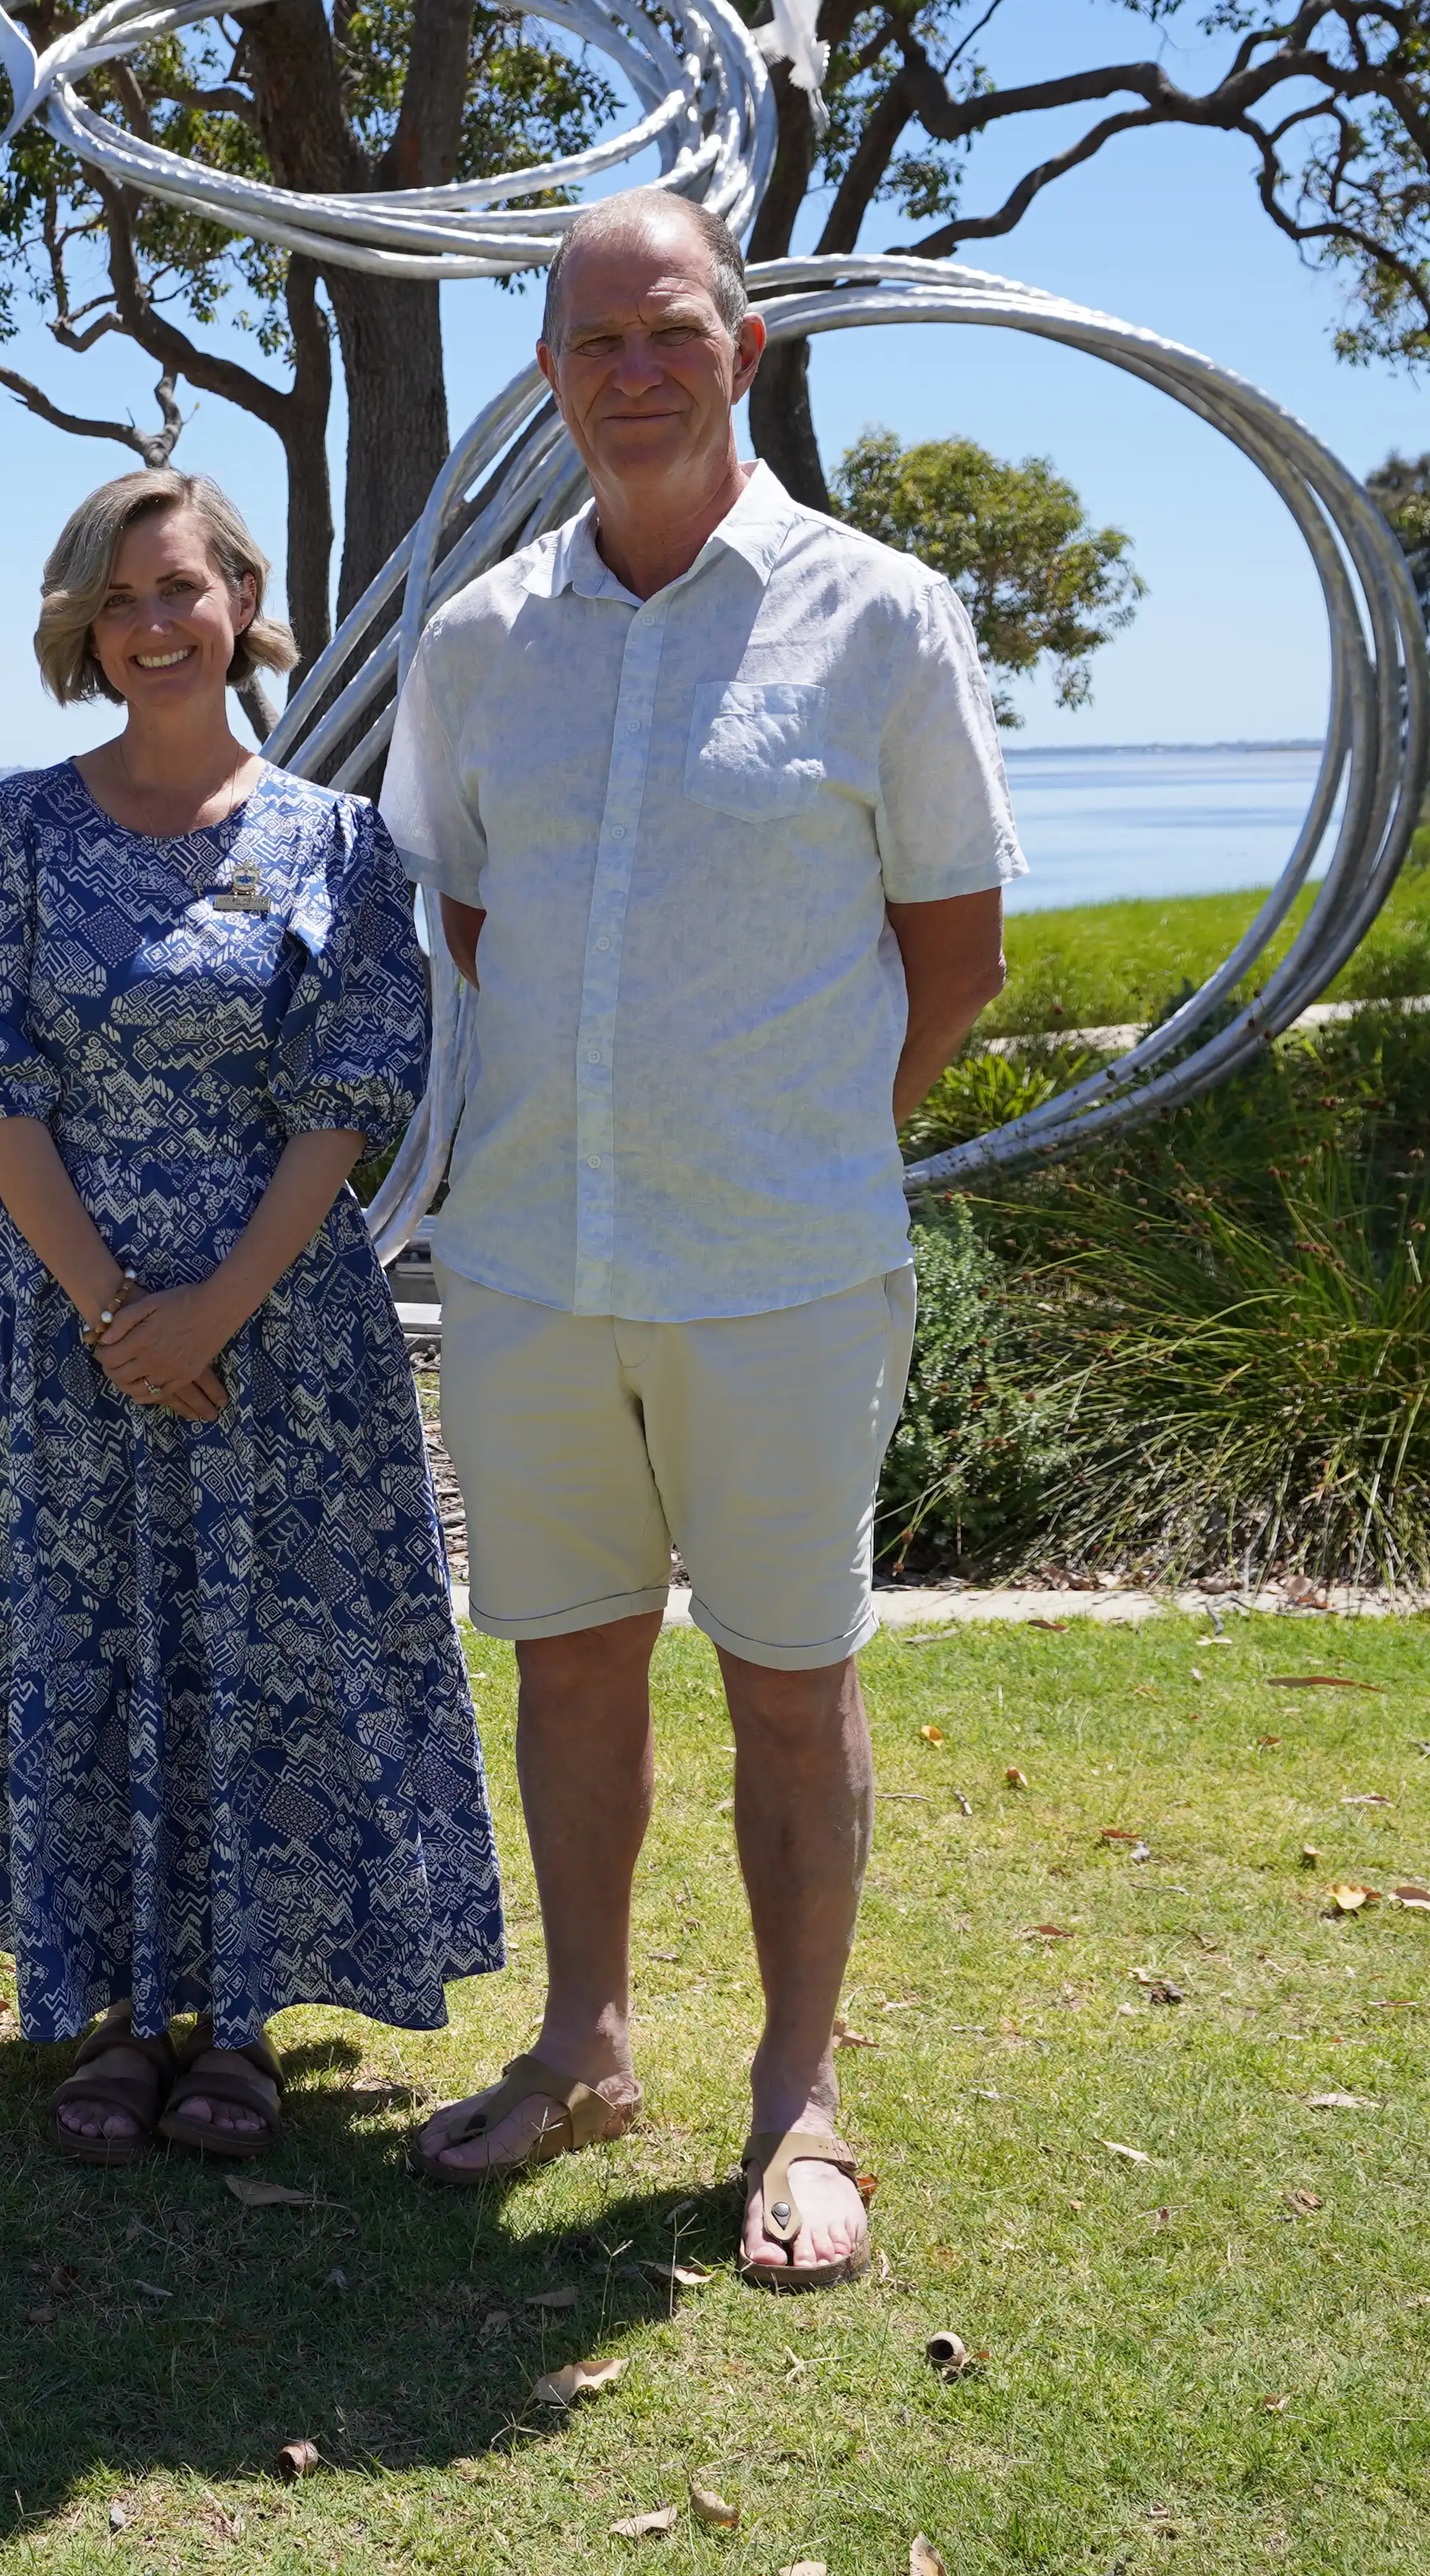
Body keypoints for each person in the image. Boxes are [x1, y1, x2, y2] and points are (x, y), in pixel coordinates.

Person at [382, 192, 1018, 2283]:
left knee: (785, 1678)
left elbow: (956, 955)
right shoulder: (478, 646)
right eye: (593, 343)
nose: (632, 370)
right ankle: (583, 2042)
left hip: (785, 1266)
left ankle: (799, 2096)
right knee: (569, 1671)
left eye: (669, 331)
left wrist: (798, 1136)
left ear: (739, 350)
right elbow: (461, 920)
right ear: (550, 375)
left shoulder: (886, 617)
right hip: (533, 1260)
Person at [0, 467, 504, 2167]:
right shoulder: (10, 831)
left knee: (262, 1649)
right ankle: (102, 2006)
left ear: (242, 599)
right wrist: (115, 1311)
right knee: (83, 1646)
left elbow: (354, 1086)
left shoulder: (337, 840)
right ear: (82, 627)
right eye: (120, 598)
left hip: (280, 1333)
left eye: (183, 588)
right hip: (63, 1330)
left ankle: (237, 2019)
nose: (155, 624)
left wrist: (216, 1309)